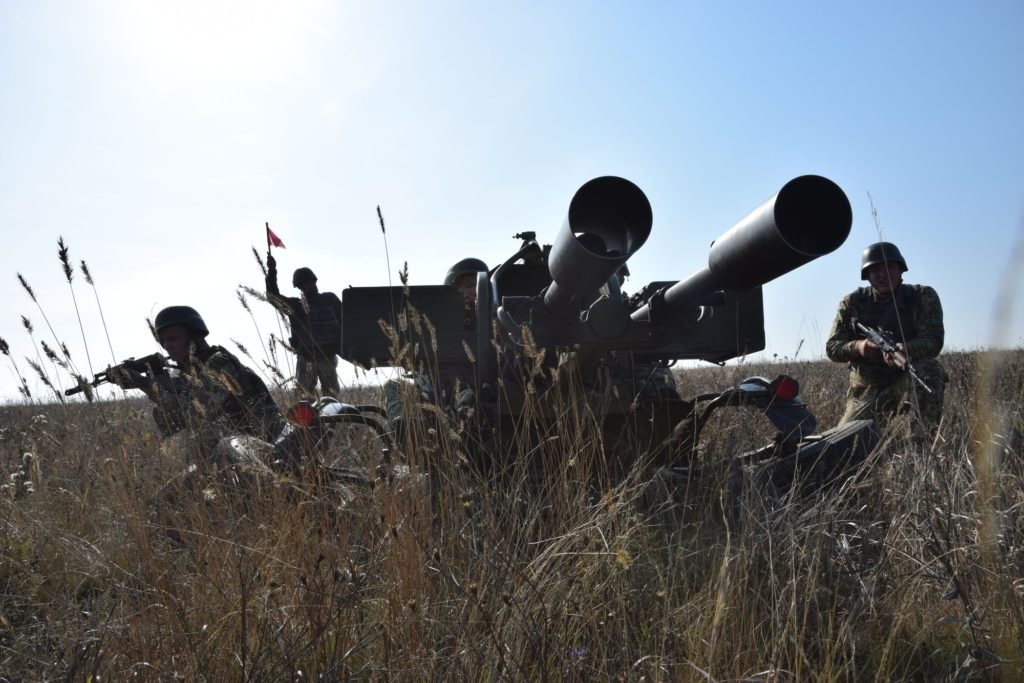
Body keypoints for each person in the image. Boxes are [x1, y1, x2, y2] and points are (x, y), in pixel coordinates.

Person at [110, 306, 285, 459]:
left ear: (194, 337)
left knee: (205, 434)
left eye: (173, 338)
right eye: (163, 341)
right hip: (238, 454)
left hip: (268, 447)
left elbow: (196, 416)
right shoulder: (187, 379)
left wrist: (146, 383)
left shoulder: (219, 364)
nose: (167, 345)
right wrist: (155, 383)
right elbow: (170, 425)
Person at [825, 242, 946, 433]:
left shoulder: (922, 296)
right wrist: (859, 347)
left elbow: (933, 340)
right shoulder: (853, 302)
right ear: (868, 275)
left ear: (900, 269)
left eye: (890, 267)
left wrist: (905, 349)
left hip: (906, 380)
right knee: (847, 444)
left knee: (930, 369)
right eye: (876, 270)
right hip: (866, 390)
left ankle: (920, 446)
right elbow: (832, 348)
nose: (883, 275)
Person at [266, 255, 343, 397]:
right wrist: (272, 271)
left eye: (309, 282)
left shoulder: (329, 299)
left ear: (314, 281)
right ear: (300, 287)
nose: (308, 286)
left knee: (331, 400)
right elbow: (272, 297)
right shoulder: (296, 305)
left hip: (327, 357)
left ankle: (330, 420)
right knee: (304, 400)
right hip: (306, 358)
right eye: (304, 284)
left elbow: (346, 320)